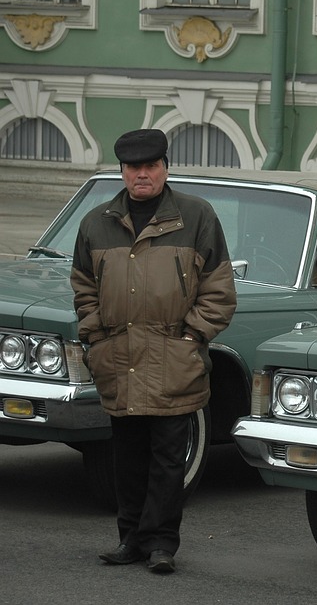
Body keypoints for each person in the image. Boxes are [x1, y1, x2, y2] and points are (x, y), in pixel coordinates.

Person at [70, 129, 237, 574]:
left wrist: (192, 337)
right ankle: (130, 540)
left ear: (165, 167)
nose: (141, 175)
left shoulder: (196, 216)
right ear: (122, 171)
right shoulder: (97, 222)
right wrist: (96, 337)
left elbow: (218, 289)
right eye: (132, 168)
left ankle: (162, 543)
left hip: (173, 357)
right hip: (119, 357)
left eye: (150, 166)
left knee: (168, 458)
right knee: (126, 456)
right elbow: (84, 288)